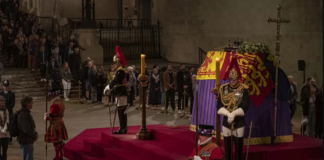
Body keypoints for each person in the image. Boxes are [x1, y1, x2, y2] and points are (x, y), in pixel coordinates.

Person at [217, 56, 249, 160]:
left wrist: (234, 114)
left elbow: (245, 106)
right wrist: (228, 114)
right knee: (227, 146)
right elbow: (219, 106)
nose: (233, 81)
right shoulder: (223, 88)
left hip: (239, 120)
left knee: (239, 147)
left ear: (238, 78)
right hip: (227, 119)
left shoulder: (243, 89)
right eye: (231, 79)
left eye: (235, 79)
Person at [104, 46, 128, 134]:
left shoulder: (120, 71)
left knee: (121, 111)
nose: (114, 65)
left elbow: (115, 81)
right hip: (121, 92)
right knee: (123, 111)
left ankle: (122, 128)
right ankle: (124, 128)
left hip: (120, 93)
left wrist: (108, 87)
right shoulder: (123, 71)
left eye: (115, 63)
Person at [44, 89, 68, 160]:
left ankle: (58, 156)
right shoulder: (61, 102)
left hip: (55, 124)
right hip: (60, 122)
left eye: (51, 96)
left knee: (56, 142)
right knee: (59, 141)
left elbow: (51, 117)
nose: (50, 97)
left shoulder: (55, 105)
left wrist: (46, 117)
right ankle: (60, 155)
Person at [18, 96, 38, 160]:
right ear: (27, 104)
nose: (32, 103)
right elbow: (26, 129)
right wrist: (34, 136)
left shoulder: (26, 112)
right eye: (31, 102)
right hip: (25, 140)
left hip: (27, 140)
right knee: (28, 158)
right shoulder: (23, 114)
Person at [0, 79, 15, 145]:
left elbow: (12, 104)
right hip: (1, 112)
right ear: (3, 86)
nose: (6, 87)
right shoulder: (1, 94)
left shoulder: (12, 94)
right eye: (4, 86)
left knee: (9, 125)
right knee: (1, 124)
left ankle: (9, 138)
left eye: (7, 86)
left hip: (9, 111)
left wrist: (6, 108)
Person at [0, 96, 9, 160]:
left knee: (5, 149)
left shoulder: (6, 110)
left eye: (4, 101)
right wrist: (2, 130)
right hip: (0, 132)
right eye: (2, 101)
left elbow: (7, 120)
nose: (3, 102)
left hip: (5, 133)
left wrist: (5, 129)